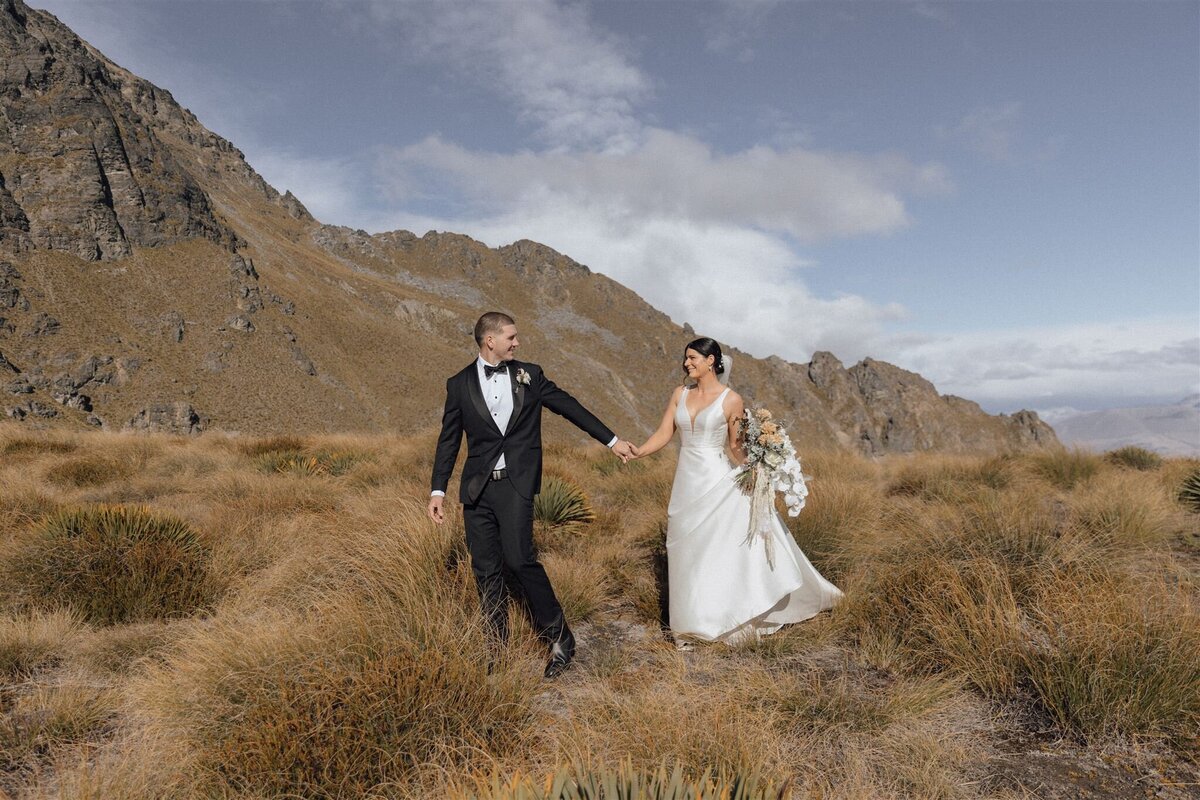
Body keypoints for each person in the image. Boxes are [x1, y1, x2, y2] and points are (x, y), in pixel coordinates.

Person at [428, 312, 637, 678]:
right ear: (490, 340)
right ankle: (496, 649)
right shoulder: (458, 384)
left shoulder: (530, 375)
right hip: (477, 490)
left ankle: (560, 639)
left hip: (516, 484)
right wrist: (438, 490)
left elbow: (569, 407)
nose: (517, 342)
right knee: (485, 569)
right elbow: (449, 440)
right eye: (511, 337)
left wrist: (612, 441)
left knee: (520, 559)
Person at [632, 337, 842, 647]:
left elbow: (735, 446)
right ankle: (689, 623)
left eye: (692, 357)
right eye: (686, 358)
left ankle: (705, 625)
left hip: (716, 480)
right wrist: (639, 451)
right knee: (684, 547)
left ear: (711, 361)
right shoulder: (679, 394)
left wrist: (759, 469)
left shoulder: (731, 400)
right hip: (686, 481)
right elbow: (665, 432)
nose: (687, 363)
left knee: (713, 551)